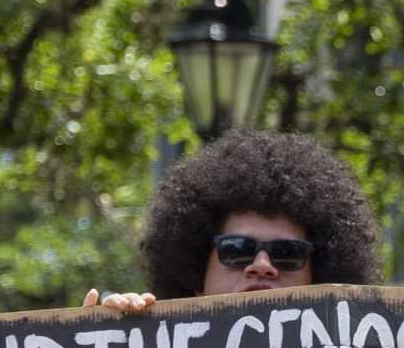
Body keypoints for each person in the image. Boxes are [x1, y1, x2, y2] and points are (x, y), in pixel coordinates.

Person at [83, 127, 383, 311]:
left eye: (287, 255)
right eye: (237, 250)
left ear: (318, 279)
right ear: (197, 281)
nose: (262, 266)